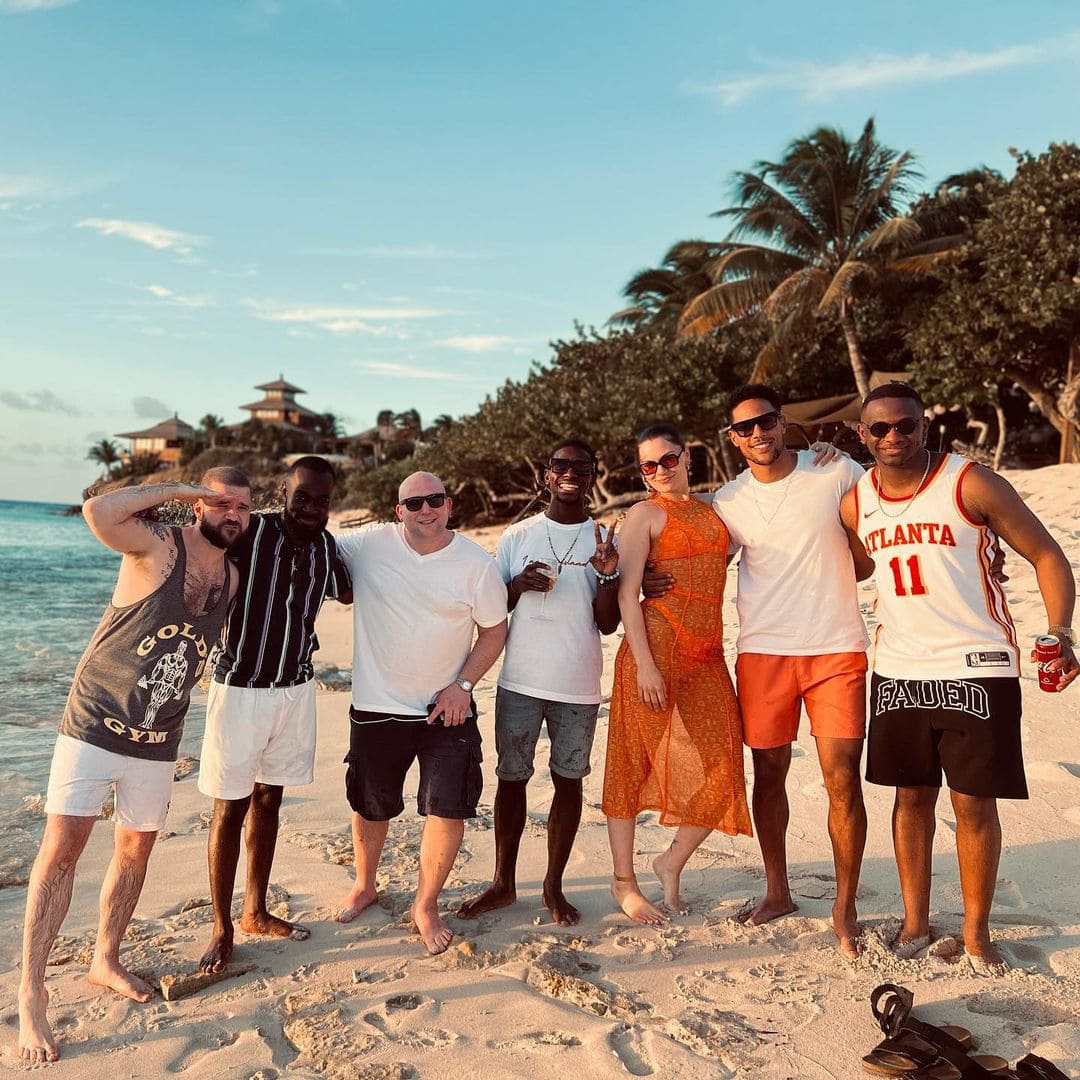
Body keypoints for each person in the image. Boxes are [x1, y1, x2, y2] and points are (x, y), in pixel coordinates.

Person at [840, 382, 1077, 967]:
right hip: (897, 668)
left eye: (905, 425)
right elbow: (854, 565)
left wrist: (1061, 631)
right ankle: (915, 921)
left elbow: (1048, 555)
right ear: (861, 436)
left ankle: (976, 932)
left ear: (925, 427)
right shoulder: (856, 501)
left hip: (978, 664)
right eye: (879, 428)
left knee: (973, 805)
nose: (893, 436)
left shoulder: (970, 482)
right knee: (911, 798)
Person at [18, 471, 250, 1065]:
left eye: (243, 507)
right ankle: (31, 994)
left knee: (134, 851)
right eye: (220, 502)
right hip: (95, 720)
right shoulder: (157, 544)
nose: (232, 513)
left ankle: (105, 957)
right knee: (63, 849)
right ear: (198, 504)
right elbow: (98, 512)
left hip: (158, 737)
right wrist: (178, 487)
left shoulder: (232, 574)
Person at [713, 385, 872, 957]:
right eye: (745, 428)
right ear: (733, 439)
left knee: (841, 778)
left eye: (767, 422)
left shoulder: (835, 471)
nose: (758, 434)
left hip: (836, 648)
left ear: (783, 424)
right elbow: (704, 565)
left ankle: (845, 907)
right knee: (769, 774)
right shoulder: (727, 502)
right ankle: (777, 890)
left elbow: (882, 534)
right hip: (763, 654)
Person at [334, 471, 508, 954]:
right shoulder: (368, 544)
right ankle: (366, 885)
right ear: (398, 511)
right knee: (370, 804)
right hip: (375, 705)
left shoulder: (476, 563)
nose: (424, 510)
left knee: (448, 807)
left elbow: (494, 631)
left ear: (449, 505)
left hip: (446, 709)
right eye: (413, 503)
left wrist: (463, 686)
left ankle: (425, 904)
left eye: (434, 500)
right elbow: (308, 543)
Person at [456, 440, 620, 927]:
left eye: (581, 467)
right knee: (512, 778)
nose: (571, 473)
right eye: (561, 466)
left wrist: (608, 577)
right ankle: (504, 882)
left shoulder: (604, 537)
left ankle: (553, 885)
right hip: (520, 679)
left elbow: (608, 624)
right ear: (546, 476)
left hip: (578, 682)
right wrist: (516, 585)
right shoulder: (518, 534)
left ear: (593, 476)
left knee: (568, 782)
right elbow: (491, 610)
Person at [198, 456, 351, 973]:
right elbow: (192, 546)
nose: (311, 508)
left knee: (269, 798)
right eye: (302, 496)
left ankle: (256, 910)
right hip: (239, 688)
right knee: (230, 806)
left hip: (294, 691)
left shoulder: (328, 548)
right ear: (282, 494)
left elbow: (352, 589)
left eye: (322, 500)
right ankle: (222, 927)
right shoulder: (250, 531)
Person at [603, 423, 752, 925]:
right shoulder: (644, 514)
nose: (661, 471)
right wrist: (644, 664)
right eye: (649, 466)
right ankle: (624, 881)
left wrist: (818, 448)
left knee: (724, 765)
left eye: (668, 460)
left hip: (707, 652)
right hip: (655, 647)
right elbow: (627, 594)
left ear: (686, 456)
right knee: (631, 762)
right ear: (641, 473)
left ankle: (670, 861)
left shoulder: (715, 506)